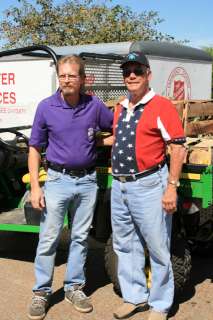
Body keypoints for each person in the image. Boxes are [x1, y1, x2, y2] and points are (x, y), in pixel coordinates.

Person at [27, 55, 113, 320]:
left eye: (72, 75)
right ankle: (41, 292)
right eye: (62, 75)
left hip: (87, 181)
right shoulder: (46, 107)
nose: (66, 80)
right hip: (56, 180)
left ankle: (73, 287)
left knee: (79, 238)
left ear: (83, 79)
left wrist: (99, 143)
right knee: (49, 238)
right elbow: (34, 148)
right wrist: (35, 186)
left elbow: (115, 128)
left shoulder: (94, 105)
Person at [110, 52, 186, 320]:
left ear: (148, 75)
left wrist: (171, 187)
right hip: (119, 186)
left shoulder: (162, 106)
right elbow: (119, 141)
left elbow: (177, 148)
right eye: (127, 71)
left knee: (157, 246)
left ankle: (160, 304)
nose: (131, 75)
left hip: (149, 185)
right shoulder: (120, 107)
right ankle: (134, 297)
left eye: (137, 70)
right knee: (125, 245)